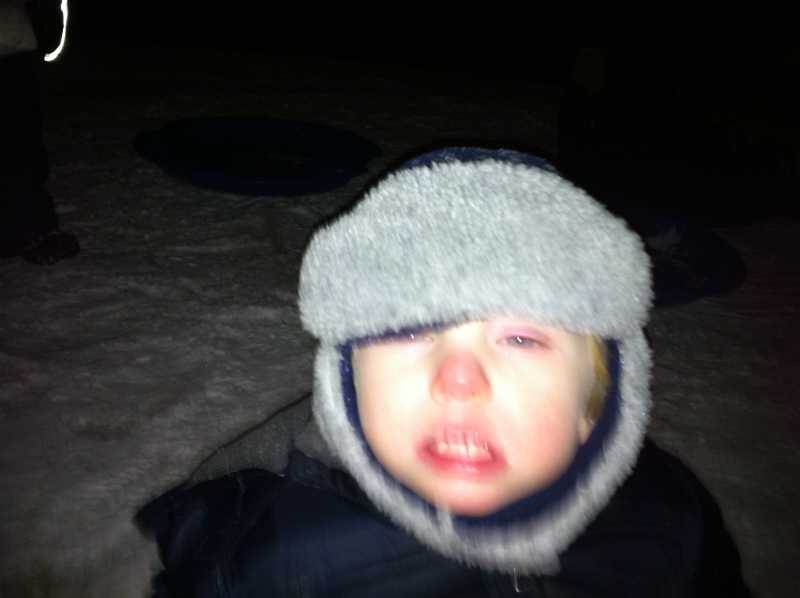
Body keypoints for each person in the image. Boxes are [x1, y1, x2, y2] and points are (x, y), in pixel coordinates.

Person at [138, 147, 751, 597]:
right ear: (345, 387)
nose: (459, 380)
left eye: (520, 337)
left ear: (599, 403)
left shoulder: (674, 522)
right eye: (408, 331)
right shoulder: (270, 563)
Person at [1, 0, 79, 264]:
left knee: (22, 145)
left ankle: (32, 228)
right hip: (15, 47)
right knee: (19, 145)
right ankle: (29, 229)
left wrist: (50, 38)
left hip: (14, 51)